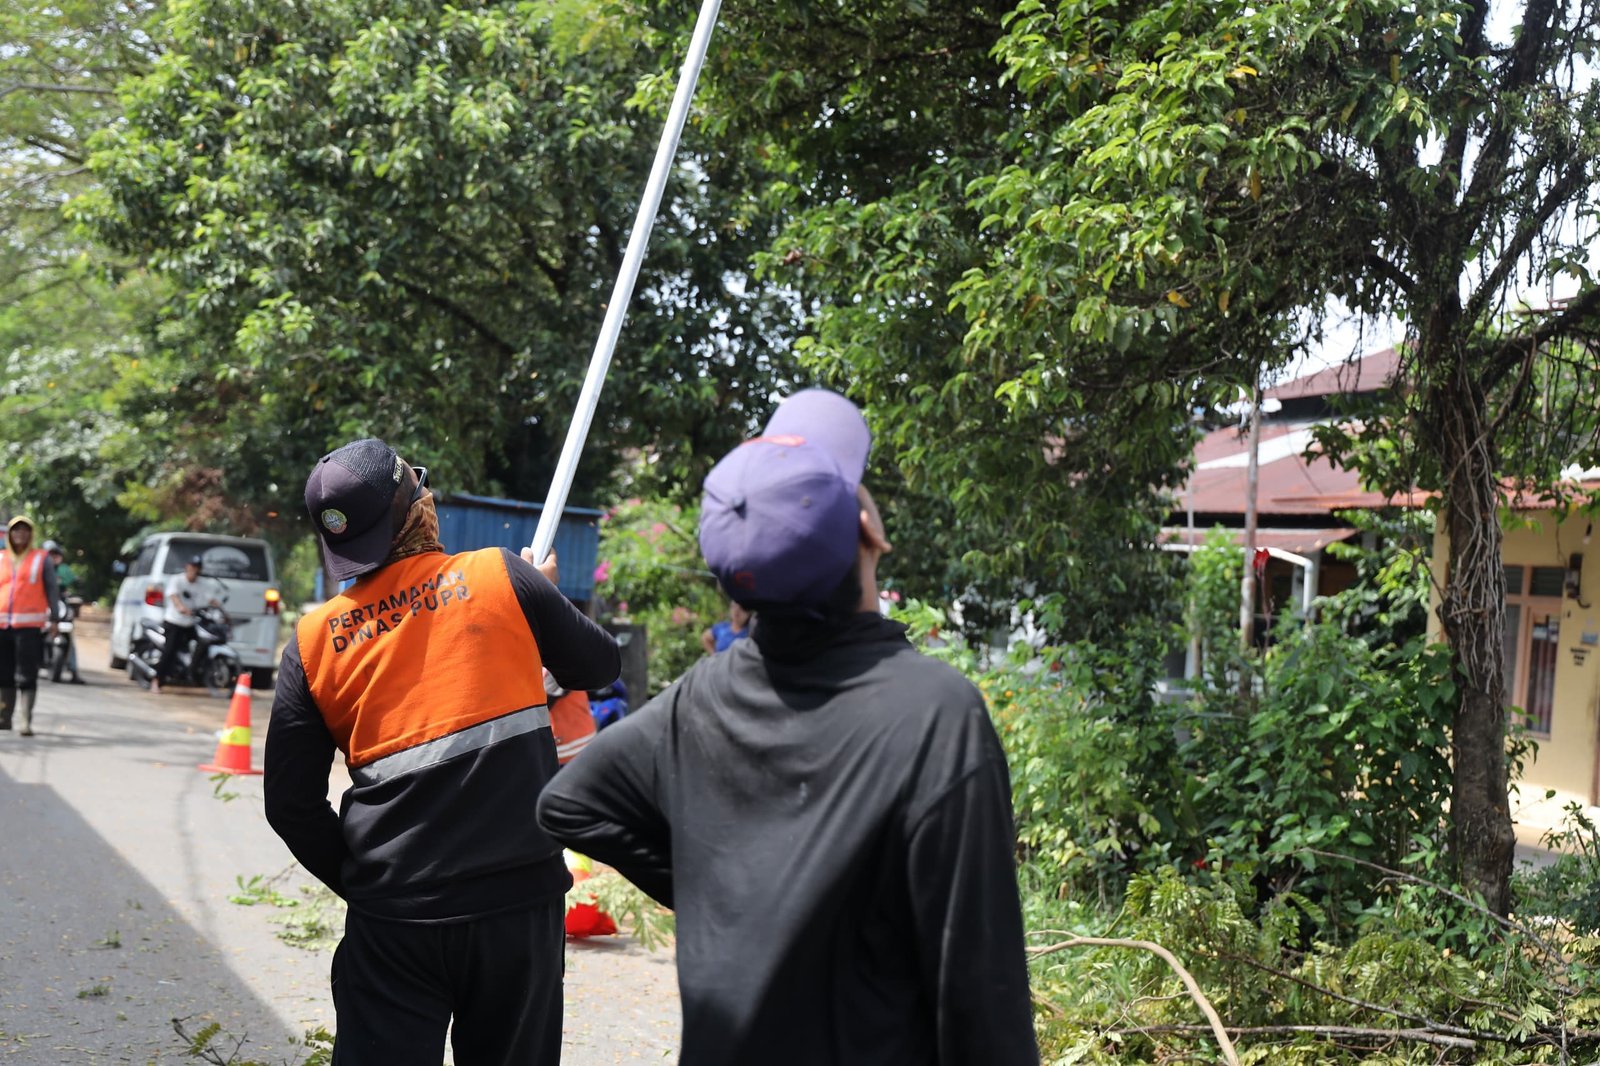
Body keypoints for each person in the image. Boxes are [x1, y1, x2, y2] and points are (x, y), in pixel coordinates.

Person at [538, 390, 1038, 1066]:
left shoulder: (698, 702)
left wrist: (718, 894)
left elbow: (571, 801)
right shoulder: (937, 717)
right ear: (871, 533)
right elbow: (985, 1004)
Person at [264, 439, 620, 1066]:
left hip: (394, 920)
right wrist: (540, 601)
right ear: (414, 508)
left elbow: (289, 804)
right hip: (517, 909)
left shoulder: (312, 642)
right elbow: (599, 662)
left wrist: (364, 883)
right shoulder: (500, 577)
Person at [0, 516, 59, 736]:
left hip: (29, 626)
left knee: (26, 674)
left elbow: (52, 590)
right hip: (2, 625)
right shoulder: (1, 558)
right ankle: (4, 717)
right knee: (3, 673)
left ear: (30, 534)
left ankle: (25, 720)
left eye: (25, 531)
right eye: (16, 531)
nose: (20, 535)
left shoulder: (41, 559)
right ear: (10, 535)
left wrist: (54, 619)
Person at [151, 554, 224, 694]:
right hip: (174, 622)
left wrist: (221, 609)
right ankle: (157, 681)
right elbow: (173, 596)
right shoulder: (177, 580)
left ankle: (193, 672)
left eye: (197, 568)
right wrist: (180, 607)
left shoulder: (202, 584)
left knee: (204, 642)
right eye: (192, 567)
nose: (194, 570)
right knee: (170, 651)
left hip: (190, 624)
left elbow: (210, 599)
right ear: (187, 567)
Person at [43, 541, 84, 684]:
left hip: (59, 607)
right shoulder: (38, 568)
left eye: (56, 554)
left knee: (70, 639)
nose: (53, 557)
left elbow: (73, 583)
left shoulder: (64, 570)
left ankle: (74, 671)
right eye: (50, 554)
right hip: (41, 607)